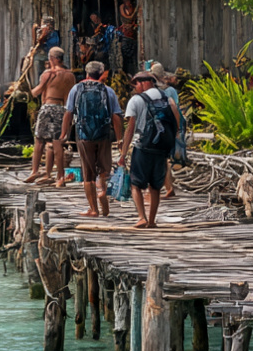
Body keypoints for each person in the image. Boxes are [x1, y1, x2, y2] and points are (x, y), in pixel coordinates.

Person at [60, 61, 123, 217]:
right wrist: (120, 138)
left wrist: (64, 134)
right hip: (104, 135)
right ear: (101, 74)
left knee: (88, 174)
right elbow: (116, 116)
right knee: (104, 169)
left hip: (84, 135)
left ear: (86, 73)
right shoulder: (108, 91)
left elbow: (68, 113)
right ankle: (102, 191)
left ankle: (93, 209)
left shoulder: (76, 89)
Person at [119, 72, 180, 228]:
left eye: (136, 84)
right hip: (161, 149)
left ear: (144, 83)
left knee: (136, 185)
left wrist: (123, 153)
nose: (135, 88)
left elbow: (130, 129)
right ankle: (152, 221)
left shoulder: (136, 100)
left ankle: (142, 217)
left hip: (142, 147)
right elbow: (177, 123)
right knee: (155, 186)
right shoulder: (168, 99)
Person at [23, 47, 75, 185]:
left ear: (52, 59)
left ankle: (34, 171)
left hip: (48, 107)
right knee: (57, 142)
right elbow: (69, 96)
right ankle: (60, 176)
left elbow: (36, 92)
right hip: (62, 109)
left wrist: (27, 90)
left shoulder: (49, 73)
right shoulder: (70, 75)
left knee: (39, 140)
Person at [146, 60, 183, 196]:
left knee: (160, 158)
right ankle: (168, 187)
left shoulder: (157, 91)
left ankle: (162, 188)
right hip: (167, 126)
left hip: (159, 127)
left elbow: (173, 108)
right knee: (164, 158)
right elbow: (176, 109)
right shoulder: (171, 90)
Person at [31, 14, 61, 82]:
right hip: (43, 56)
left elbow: (40, 42)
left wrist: (43, 33)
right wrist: (34, 30)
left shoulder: (54, 34)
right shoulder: (44, 33)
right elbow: (35, 44)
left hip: (50, 57)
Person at [118, 0, 138, 72]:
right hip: (125, 35)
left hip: (133, 35)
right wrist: (134, 14)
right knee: (125, 57)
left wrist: (132, 25)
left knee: (134, 57)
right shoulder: (122, 7)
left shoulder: (132, 8)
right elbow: (128, 18)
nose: (126, 1)